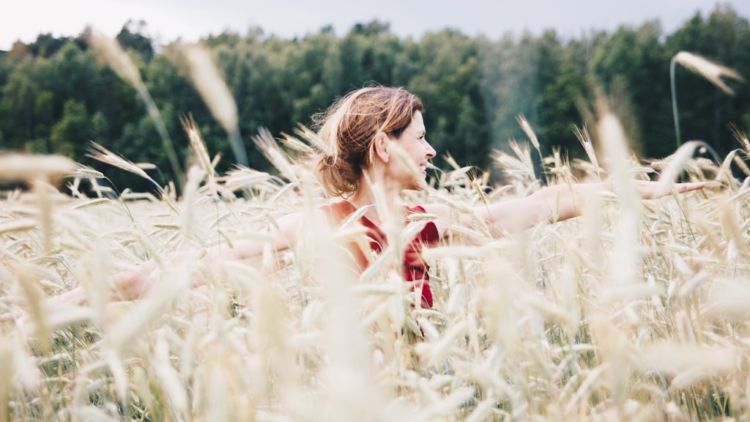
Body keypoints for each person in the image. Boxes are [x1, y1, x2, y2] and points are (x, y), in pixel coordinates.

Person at [58, 86, 704, 308]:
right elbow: (176, 271)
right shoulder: (321, 225)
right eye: (419, 139)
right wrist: (65, 299)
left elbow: (537, 206)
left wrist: (633, 187)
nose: (430, 151)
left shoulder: (429, 223)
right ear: (383, 149)